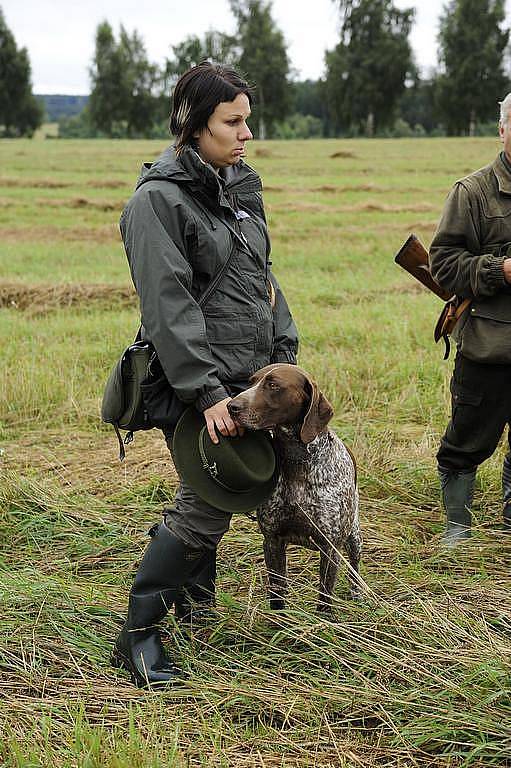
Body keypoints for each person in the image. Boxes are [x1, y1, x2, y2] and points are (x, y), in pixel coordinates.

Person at [112, 62, 298, 686]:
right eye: (233, 122)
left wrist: (283, 352)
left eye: (248, 120)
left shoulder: (239, 187)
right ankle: (139, 633)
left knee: (227, 487)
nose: (246, 133)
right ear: (194, 125)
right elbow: (168, 306)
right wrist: (210, 391)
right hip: (196, 382)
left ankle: (195, 603)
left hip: (247, 379)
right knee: (208, 501)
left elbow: (263, 281)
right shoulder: (157, 202)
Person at [429, 93, 511, 546]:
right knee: (466, 442)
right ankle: (457, 526)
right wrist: (498, 270)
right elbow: (442, 263)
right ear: (502, 130)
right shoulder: (473, 192)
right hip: (489, 345)